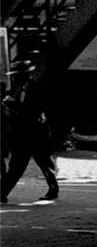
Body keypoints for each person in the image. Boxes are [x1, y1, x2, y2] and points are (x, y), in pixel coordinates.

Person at [1, 61, 59, 203]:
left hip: (36, 135)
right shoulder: (17, 89)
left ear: (25, 76)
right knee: (16, 167)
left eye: (17, 76)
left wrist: (12, 105)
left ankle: (53, 190)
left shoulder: (38, 90)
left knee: (45, 164)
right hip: (21, 136)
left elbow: (32, 112)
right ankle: (2, 192)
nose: (14, 79)